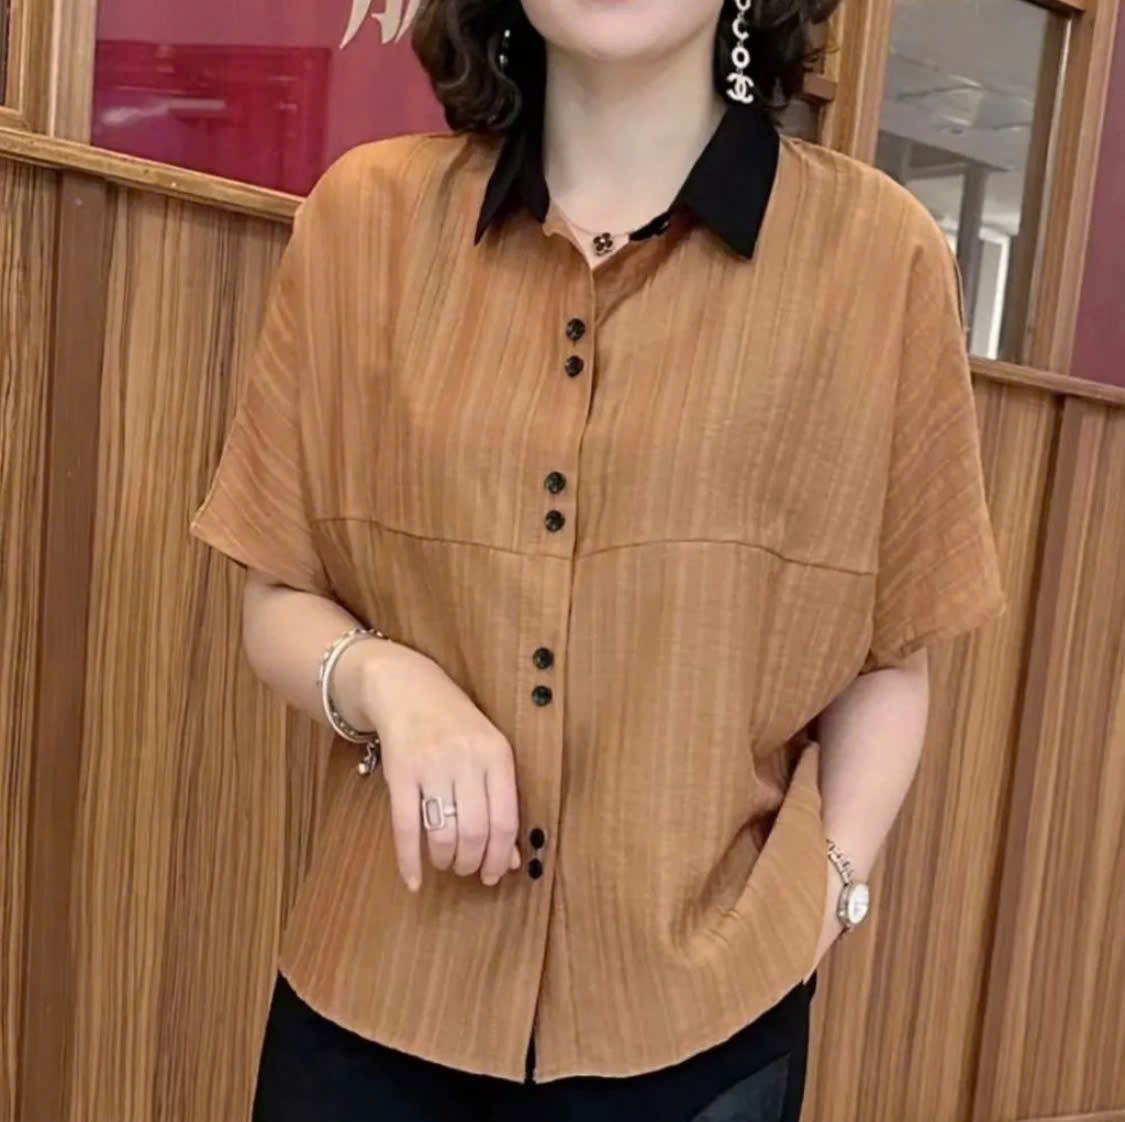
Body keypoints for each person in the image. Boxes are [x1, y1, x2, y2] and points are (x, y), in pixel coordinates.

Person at [188, 0, 1008, 1118]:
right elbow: (278, 592)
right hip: (377, 998)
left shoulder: (877, 259)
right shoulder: (364, 222)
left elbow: (893, 652)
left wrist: (826, 902)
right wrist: (388, 680)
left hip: (705, 1022)